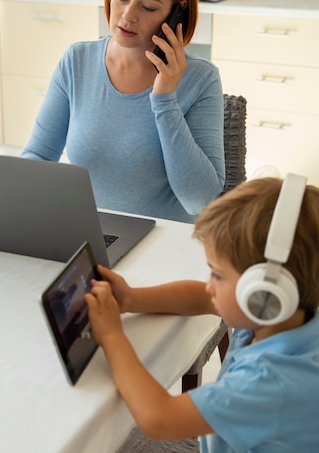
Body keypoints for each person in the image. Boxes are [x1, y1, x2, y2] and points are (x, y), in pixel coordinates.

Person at [85, 177, 319, 452]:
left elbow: (159, 419)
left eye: (218, 275)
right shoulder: (281, 317)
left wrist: (112, 335)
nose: (210, 285)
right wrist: (133, 299)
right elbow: (204, 297)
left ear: (263, 293)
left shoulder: (269, 382)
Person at [22, 0, 225, 223]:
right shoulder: (76, 61)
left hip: (164, 250)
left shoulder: (202, 80)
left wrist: (165, 99)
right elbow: (38, 157)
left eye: (149, 7)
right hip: (88, 236)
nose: (127, 16)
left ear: (176, 12)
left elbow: (198, 200)